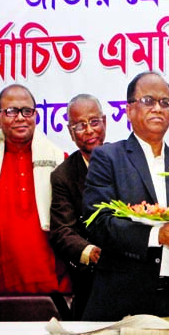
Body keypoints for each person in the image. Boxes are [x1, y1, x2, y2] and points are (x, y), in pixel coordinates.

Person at [82, 71, 169, 321]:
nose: (158, 108)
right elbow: (98, 223)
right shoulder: (108, 158)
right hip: (125, 299)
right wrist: (156, 235)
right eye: (148, 101)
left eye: (165, 102)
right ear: (129, 110)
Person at [0, 84, 70, 318]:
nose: (20, 118)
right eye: (11, 111)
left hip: (56, 291)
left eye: (27, 111)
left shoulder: (61, 163)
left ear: (36, 115)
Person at [49, 94, 106, 319]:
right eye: (80, 125)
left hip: (133, 277)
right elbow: (62, 231)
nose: (89, 130)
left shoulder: (127, 159)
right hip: (91, 282)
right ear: (71, 132)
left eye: (94, 122)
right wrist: (91, 252)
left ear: (105, 122)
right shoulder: (63, 175)